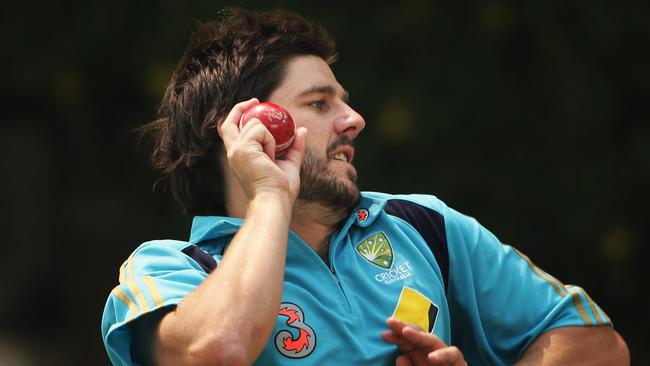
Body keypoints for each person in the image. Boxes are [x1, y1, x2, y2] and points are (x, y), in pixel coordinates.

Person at [101, 7, 629, 366]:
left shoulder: (424, 224)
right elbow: (221, 348)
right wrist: (269, 194)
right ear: (245, 127)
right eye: (318, 102)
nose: (354, 119)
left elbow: (599, 344)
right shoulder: (169, 270)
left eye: (344, 101)